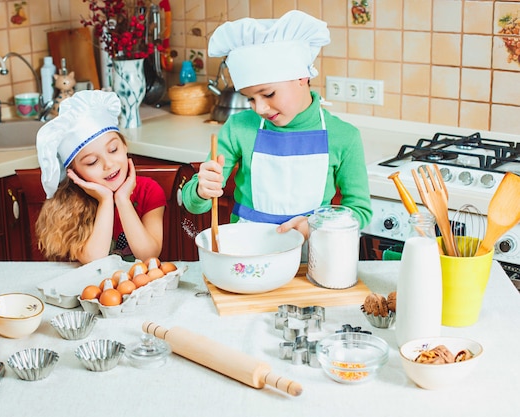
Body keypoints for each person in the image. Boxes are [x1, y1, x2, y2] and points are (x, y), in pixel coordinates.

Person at [181, 10, 372, 240]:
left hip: (313, 258)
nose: (259, 108)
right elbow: (195, 204)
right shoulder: (238, 128)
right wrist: (202, 190)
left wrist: (319, 226)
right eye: (250, 98)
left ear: (302, 77)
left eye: (268, 94)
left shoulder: (344, 137)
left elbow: (360, 211)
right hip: (249, 254)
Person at [35, 90, 166, 263]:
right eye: (92, 162)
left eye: (113, 150)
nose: (108, 164)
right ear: (73, 172)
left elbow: (148, 255)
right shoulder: (72, 205)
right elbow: (94, 260)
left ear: (125, 146)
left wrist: (122, 199)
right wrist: (105, 201)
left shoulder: (149, 191)